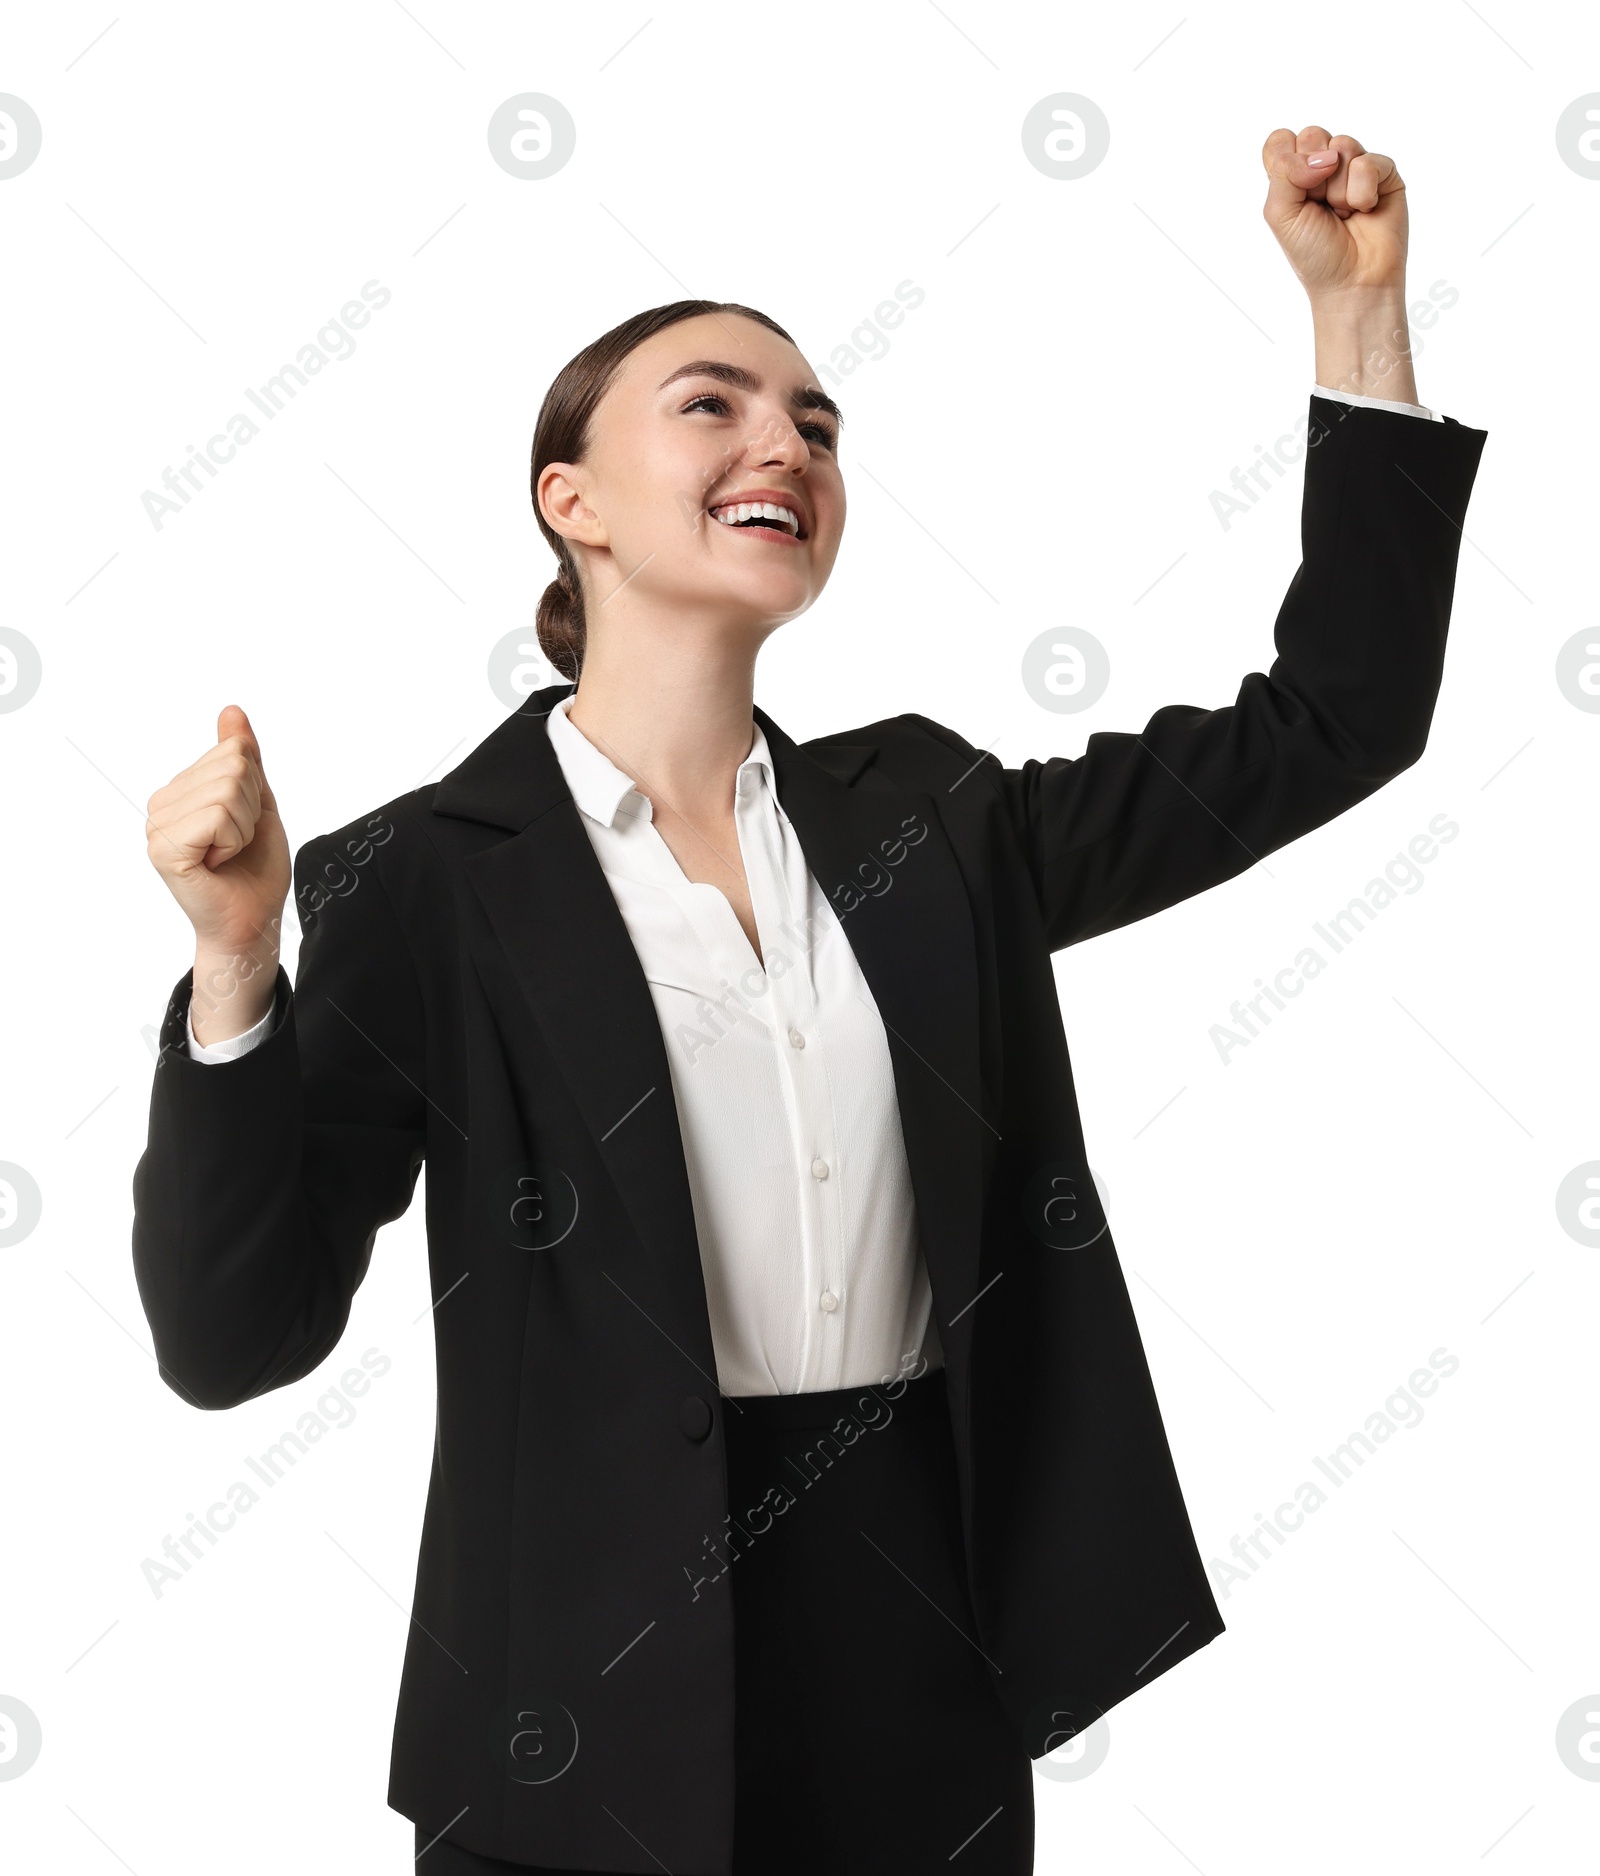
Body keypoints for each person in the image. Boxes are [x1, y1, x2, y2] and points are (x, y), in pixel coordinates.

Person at [134, 127, 1488, 1874]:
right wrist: (238, 964)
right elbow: (235, 1338)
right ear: (574, 500)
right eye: (714, 405)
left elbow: (1336, 721)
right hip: (576, 1719)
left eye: (819, 423)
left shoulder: (936, 821)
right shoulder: (427, 880)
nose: (787, 439)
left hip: (920, 1662)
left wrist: (1357, 321)